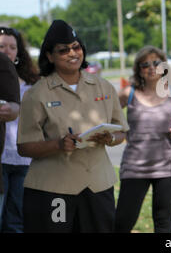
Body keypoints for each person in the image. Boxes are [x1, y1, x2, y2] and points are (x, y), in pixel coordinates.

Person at [17, 20, 129, 233]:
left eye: (76, 47)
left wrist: (111, 138)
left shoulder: (104, 87)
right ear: (50, 56)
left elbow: (121, 130)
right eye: (63, 50)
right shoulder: (36, 94)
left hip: (97, 186)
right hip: (55, 189)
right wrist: (58, 145)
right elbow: (24, 147)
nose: (72, 53)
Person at [114, 45, 171, 233]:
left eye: (156, 63)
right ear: (138, 70)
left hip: (167, 167)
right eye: (145, 64)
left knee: (163, 221)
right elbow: (109, 118)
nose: (151, 67)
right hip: (134, 166)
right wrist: (118, 132)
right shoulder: (128, 93)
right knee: (123, 221)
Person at [0, 27, 39, 233]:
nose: (7, 51)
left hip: (23, 158)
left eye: (12, 47)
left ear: (19, 52)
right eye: (2, 46)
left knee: (16, 219)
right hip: (1, 157)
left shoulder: (33, 84)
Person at [0, 44, 20, 228]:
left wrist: (9, 109)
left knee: (13, 222)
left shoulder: (2, 64)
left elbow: (14, 109)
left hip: (17, 160)